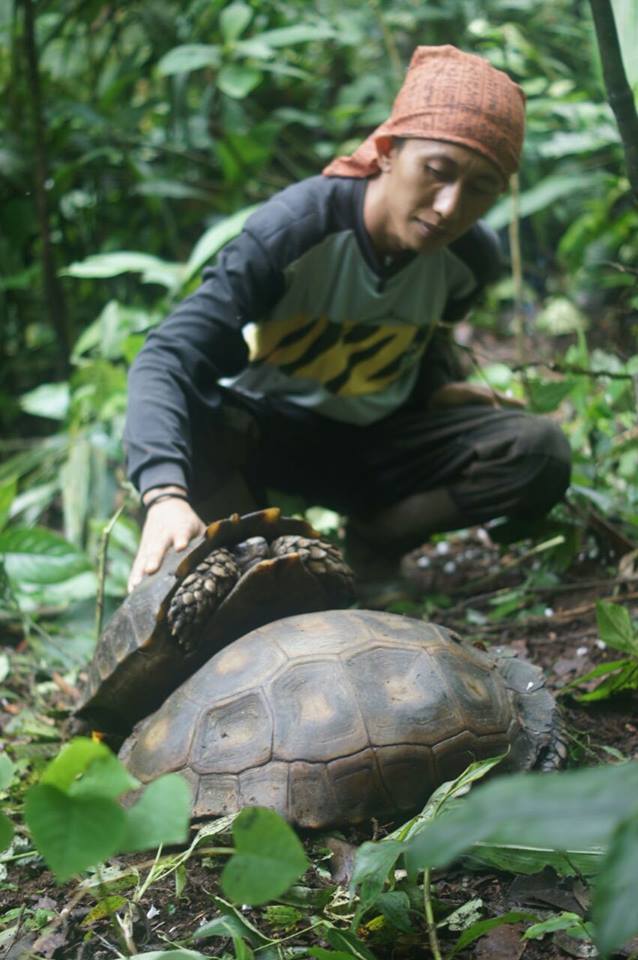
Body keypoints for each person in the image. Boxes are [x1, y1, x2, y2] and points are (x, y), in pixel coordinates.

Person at [125, 44, 571, 593]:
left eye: (481, 189)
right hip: (276, 437)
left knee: (539, 451)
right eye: (437, 171)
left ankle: (378, 540)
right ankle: (257, 567)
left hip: (382, 443)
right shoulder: (296, 230)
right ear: (386, 152)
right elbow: (166, 356)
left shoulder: (471, 257)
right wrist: (165, 495)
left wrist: (436, 391)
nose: (451, 206)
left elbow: (423, 332)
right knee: (189, 426)